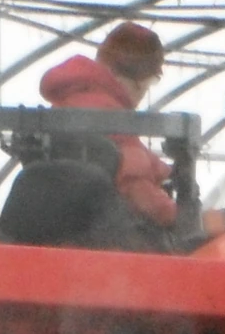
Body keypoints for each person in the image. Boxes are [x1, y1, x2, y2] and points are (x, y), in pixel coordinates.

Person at [39, 21, 176, 231]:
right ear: (136, 78)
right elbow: (137, 190)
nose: (142, 95)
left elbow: (127, 154)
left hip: (54, 227)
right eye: (147, 83)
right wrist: (186, 217)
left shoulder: (71, 100)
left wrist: (163, 170)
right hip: (98, 236)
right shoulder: (110, 115)